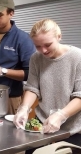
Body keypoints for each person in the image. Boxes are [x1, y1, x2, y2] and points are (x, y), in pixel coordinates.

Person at [13, 19, 81, 154]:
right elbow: (32, 88)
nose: (43, 50)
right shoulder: (36, 58)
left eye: (48, 45)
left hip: (73, 127)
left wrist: (61, 114)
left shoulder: (77, 57)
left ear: (59, 37)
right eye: (37, 46)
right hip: (42, 122)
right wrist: (24, 108)